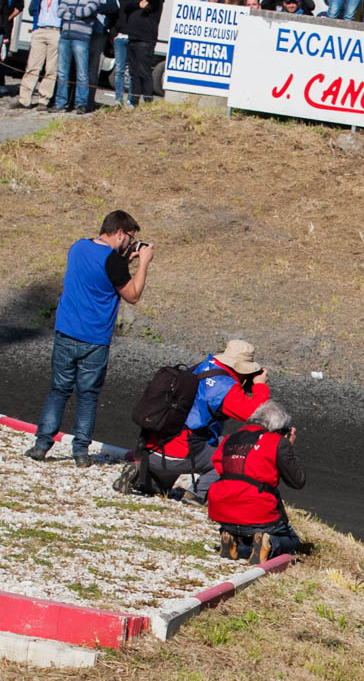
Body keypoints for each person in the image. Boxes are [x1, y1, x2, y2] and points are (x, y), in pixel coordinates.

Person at [25, 211, 151, 467]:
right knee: (88, 396)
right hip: (94, 339)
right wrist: (144, 262)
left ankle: (41, 445)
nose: (131, 242)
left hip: (66, 331)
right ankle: (81, 452)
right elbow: (133, 295)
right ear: (120, 233)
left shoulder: (78, 247)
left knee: (58, 390)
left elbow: (100, 272)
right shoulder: (113, 262)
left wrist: (124, 260)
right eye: (130, 237)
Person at [137, 341, 271, 501]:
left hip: (152, 447)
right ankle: (197, 494)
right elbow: (257, 416)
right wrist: (260, 386)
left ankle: (142, 475)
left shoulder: (201, 367)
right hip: (180, 455)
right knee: (239, 450)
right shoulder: (225, 386)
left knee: (156, 491)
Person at [208, 400, 306, 564]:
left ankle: (230, 536)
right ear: (277, 428)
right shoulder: (277, 442)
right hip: (258, 511)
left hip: (222, 510)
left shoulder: (229, 439)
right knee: (292, 540)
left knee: (246, 534)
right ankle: (269, 543)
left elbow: (218, 466)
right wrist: (289, 447)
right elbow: (298, 481)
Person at [52, 0, 100, 114]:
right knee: (62, 72)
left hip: (81, 39)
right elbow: (60, 12)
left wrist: (71, 12)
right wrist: (76, 14)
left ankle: (81, 103)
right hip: (65, 37)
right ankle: (60, 103)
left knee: (82, 73)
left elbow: (87, 11)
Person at [17, 0, 63, 109]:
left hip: (55, 32)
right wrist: (36, 26)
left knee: (51, 69)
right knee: (32, 66)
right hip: (40, 30)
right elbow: (32, 9)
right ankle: (24, 99)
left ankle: (44, 100)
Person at [118, 0, 163, 107]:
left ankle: (148, 102)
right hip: (133, 39)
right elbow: (127, 7)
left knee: (144, 72)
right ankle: (134, 101)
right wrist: (138, 5)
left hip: (145, 41)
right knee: (134, 73)